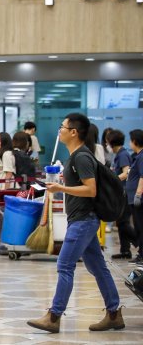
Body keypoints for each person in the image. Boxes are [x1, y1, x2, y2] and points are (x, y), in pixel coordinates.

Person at [27, 113, 123, 333]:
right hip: (83, 220)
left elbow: (91, 190)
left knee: (64, 265)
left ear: (74, 132)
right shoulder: (75, 157)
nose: (59, 130)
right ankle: (114, 314)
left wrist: (61, 188)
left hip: (83, 221)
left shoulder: (81, 157)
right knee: (98, 268)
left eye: (63, 126)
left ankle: (53, 317)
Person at [107, 130, 135, 260]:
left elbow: (126, 172)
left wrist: (113, 180)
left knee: (123, 223)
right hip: (120, 192)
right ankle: (125, 251)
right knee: (121, 222)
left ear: (111, 143)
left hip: (125, 193)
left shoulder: (123, 155)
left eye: (107, 142)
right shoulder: (119, 154)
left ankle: (138, 241)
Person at [127, 129, 143, 266]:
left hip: (138, 199)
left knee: (140, 226)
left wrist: (138, 194)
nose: (129, 143)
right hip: (132, 198)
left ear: (135, 141)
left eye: (131, 140)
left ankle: (142, 254)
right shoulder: (137, 156)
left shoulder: (142, 156)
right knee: (138, 226)